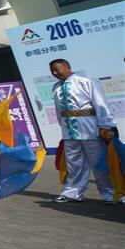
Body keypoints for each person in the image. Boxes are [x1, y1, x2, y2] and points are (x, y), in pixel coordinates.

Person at [49, 58, 119, 204]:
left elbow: (100, 104)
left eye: (57, 69)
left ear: (67, 67)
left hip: (90, 129)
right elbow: (58, 111)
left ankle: (111, 194)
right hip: (69, 132)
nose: (55, 73)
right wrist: (63, 128)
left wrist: (106, 126)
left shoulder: (85, 82)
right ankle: (72, 193)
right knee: (74, 164)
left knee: (99, 163)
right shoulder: (56, 87)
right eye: (52, 71)